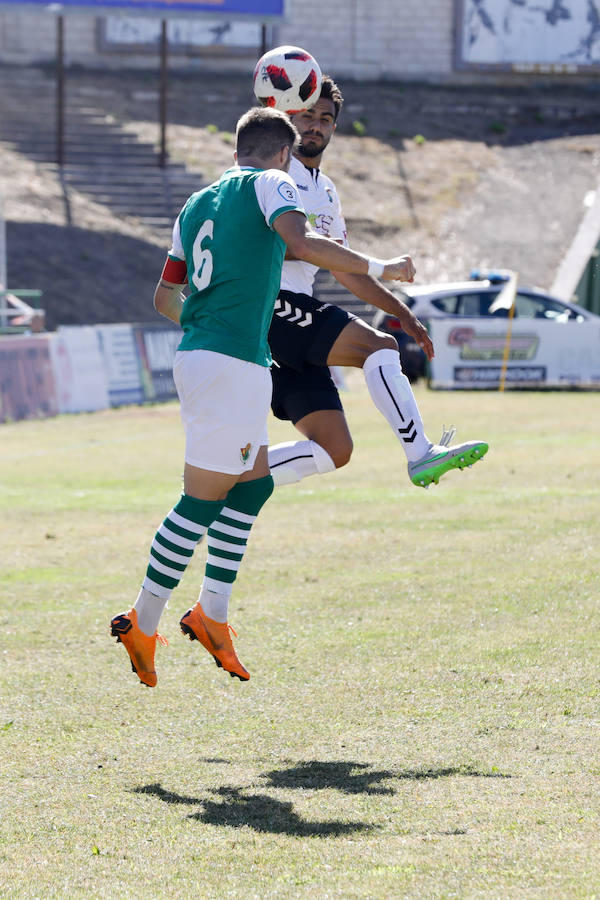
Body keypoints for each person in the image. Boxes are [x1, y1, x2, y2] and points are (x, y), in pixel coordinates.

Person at [110, 106, 419, 688]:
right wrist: (383, 267)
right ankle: (142, 622)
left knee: (251, 488)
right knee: (200, 501)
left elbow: (163, 296)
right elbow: (302, 241)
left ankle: (212, 616)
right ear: (283, 154)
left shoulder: (196, 202)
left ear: (234, 152)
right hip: (227, 362)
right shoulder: (273, 182)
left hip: (228, 358)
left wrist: (206, 326)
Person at [266, 76, 488, 490]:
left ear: (334, 128)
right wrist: (373, 262)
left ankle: (234, 477)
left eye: (325, 119)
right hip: (270, 306)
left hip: (291, 316)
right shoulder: (275, 174)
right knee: (378, 348)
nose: (315, 125)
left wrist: (401, 311)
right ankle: (420, 453)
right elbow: (289, 244)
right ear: (289, 117)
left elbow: (344, 268)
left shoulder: (326, 191)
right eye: (307, 115)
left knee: (334, 448)